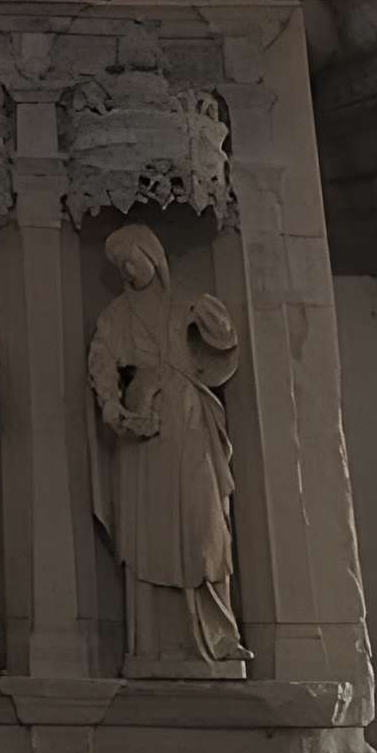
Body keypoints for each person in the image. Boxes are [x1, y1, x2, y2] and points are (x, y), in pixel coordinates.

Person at [88, 224, 247, 674]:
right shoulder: (118, 314)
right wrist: (113, 407)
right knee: (149, 531)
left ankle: (217, 637)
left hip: (190, 421)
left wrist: (218, 327)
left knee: (205, 526)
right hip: (145, 430)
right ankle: (153, 644)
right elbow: (101, 361)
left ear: (153, 256)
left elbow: (221, 350)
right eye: (120, 265)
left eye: (131, 258)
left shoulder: (187, 304)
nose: (127, 269)